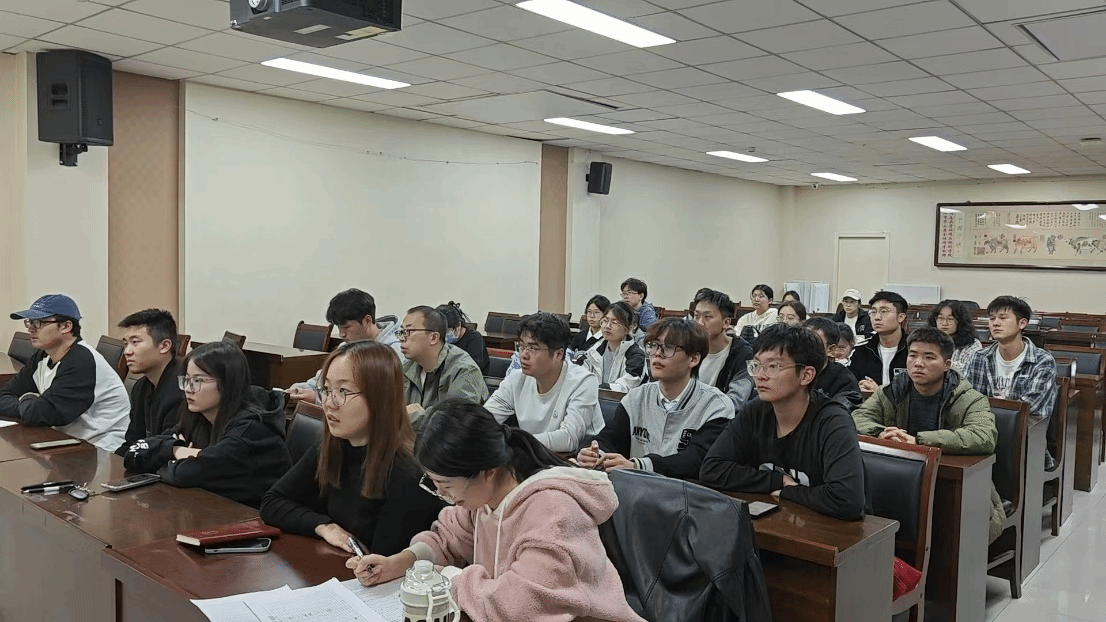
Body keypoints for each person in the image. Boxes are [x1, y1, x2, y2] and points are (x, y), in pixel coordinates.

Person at [346, 399, 647, 622]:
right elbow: (448, 537)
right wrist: (401, 563)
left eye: (446, 485)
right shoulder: (484, 497)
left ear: (487, 471)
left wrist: (447, 578)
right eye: (434, 484)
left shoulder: (554, 511)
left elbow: (518, 606)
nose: (442, 495)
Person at [260, 341, 444, 555]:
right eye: (326, 389)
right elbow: (273, 502)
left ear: (379, 397)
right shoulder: (336, 444)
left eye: (343, 391)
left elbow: (384, 564)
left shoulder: (408, 474)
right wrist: (325, 527)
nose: (329, 403)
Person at [700, 325, 867, 521]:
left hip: (838, 532)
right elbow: (711, 469)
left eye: (773, 367)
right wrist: (777, 480)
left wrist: (789, 491)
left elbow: (847, 500)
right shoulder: (755, 410)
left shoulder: (833, 421)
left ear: (806, 375)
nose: (760, 375)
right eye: (756, 365)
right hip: (780, 523)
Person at [852, 328, 1004, 543]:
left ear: (947, 364)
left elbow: (984, 436)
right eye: (913, 355)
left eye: (929, 357)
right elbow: (857, 418)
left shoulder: (968, 398)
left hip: (948, 484)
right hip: (896, 481)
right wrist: (881, 432)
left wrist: (919, 441)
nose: (918, 363)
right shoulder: (891, 391)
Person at [124, 342, 292, 508]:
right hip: (214, 508)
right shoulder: (199, 417)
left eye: (198, 380)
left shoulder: (251, 430)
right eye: (186, 380)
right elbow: (134, 452)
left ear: (227, 384)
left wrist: (163, 457)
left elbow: (181, 475)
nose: (188, 388)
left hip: (254, 518)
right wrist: (177, 450)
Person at [577, 319, 734, 479]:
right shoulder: (636, 397)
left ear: (693, 359)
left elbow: (696, 460)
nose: (657, 353)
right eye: (653, 345)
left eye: (669, 347)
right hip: (636, 489)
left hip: (686, 491)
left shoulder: (716, 406)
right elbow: (611, 438)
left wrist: (638, 466)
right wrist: (595, 452)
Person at [0, 295, 129, 452]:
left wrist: (28, 399)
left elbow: (40, 414)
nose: (30, 328)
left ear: (66, 327)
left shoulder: (82, 362)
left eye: (38, 322)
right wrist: (29, 404)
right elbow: (4, 396)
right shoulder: (42, 356)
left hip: (102, 448)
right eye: (30, 322)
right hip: (66, 440)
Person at [485, 313, 603, 452]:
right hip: (531, 454)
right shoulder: (516, 379)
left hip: (573, 459)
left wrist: (516, 443)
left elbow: (569, 439)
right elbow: (485, 421)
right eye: (521, 346)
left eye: (533, 348)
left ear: (558, 354)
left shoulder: (583, 382)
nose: (523, 354)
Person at [963, 296, 1057, 467]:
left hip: (1025, 438)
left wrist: (993, 409)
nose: (995, 323)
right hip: (982, 431)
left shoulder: (1042, 360)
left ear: (1022, 323)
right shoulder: (979, 357)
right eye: (992, 318)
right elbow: (967, 399)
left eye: (1003, 318)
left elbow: (1030, 406)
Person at [287, 289, 402, 404]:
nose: (341, 334)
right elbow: (321, 381)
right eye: (339, 327)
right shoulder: (345, 347)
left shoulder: (394, 353)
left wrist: (317, 398)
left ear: (367, 321)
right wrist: (299, 390)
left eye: (346, 327)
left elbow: (372, 400)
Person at [400, 306, 488, 424]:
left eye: (408, 332)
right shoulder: (406, 367)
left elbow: (454, 422)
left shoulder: (464, 370)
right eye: (401, 332)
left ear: (434, 337)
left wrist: (410, 416)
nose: (401, 338)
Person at [117, 309, 185, 455]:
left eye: (135, 342)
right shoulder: (140, 387)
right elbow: (133, 442)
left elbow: (167, 449)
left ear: (164, 346)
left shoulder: (182, 390)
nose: (127, 351)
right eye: (126, 344)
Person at [688, 289, 754, 408]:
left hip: (722, 417)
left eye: (707, 317)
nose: (700, 323)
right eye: (696, 316)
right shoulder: (687, 347)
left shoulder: (743, 353)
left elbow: (737, 400)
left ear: (726, 323)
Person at [850, 291, 909, 393]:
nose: (877, 317)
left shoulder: (914, 350)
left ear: (901, 317)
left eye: (884, 311)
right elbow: (850, 387)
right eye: (873, 312)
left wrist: (879, 393)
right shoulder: (861, 351)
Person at [580, 302, 645, 393]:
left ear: (630, 328)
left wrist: (594, 388)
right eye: (605, 321)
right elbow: (579, 375)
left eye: (614, 322)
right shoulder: (595, 349)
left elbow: (624, 387)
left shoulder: (636, 355)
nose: (607, 326)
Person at [801, 317, 863, 409]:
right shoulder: (790, 370)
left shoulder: (844, 380)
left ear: (831, 349)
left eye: (812, 342)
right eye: (801, 341)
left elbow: (842, 411)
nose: (803, 348)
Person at [928, 300, 983, 373]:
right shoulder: (927, 341)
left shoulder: (973, 344)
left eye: (950, 319)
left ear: (960, 321)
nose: (944, 323)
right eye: (940, 318)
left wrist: (940, 364)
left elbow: (970, 369)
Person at [436, 301, 490, 375]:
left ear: (458, 325)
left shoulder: (474, 338)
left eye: (446, 331)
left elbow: (472, 368)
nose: (442, 335)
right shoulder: (438, 339)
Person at [568, 295, 610, 360]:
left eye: (596, 312)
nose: (592, 316)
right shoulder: (579, 336)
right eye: (589, 312)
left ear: (606, 314)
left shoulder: (608, 339)